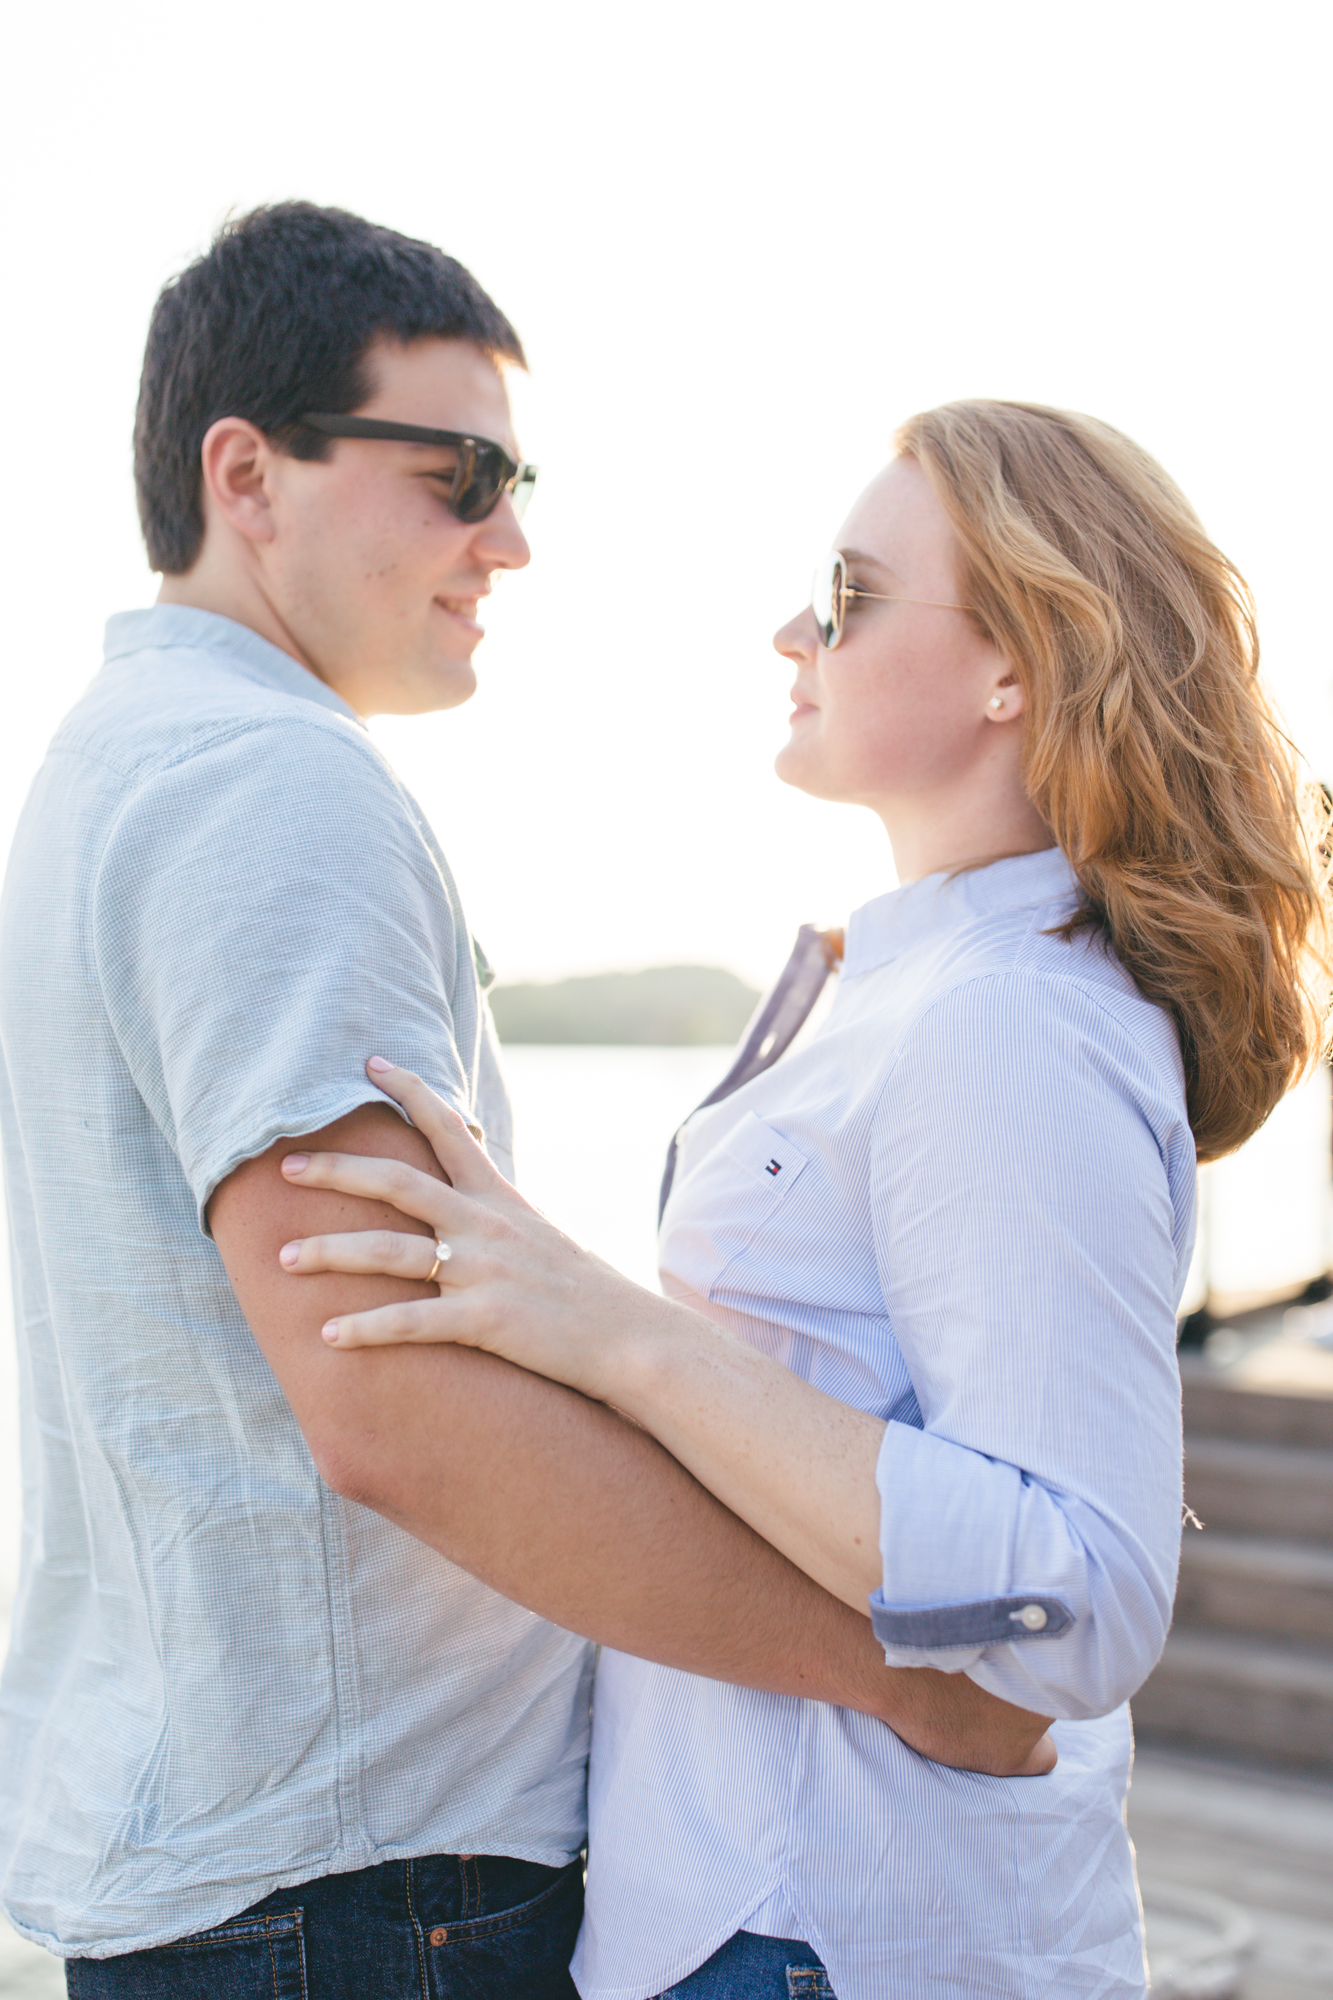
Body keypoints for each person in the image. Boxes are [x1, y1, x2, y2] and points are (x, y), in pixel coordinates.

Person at [0, 211, 1047, 1999]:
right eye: (460, 473)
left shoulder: (121, 759)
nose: (513, 537)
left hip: (260, 1853)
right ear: (245, 473)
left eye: (518, 473)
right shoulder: (268, 789)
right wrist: (890, 1667)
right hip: (366, 1881)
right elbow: (393, 1415)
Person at [277, 400, 1331, 1999]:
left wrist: (620, 1339)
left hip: (832, 1935)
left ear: (1015, 667)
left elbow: (1082, 1600)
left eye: (845, 596)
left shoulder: (1011, 1024)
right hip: (747, 1911)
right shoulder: (924, 990)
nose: (791, 631)